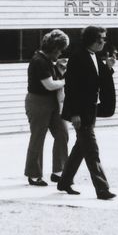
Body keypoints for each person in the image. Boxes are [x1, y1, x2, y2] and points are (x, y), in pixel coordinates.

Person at [57, 25, 117, 199]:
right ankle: (102, 188)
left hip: (91, 110)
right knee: (92, 150)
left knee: (81, 148)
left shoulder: (94, 57)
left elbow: (99, 80)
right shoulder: (78, 57)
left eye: (104, 39)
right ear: (92, 39)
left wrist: (109, 67)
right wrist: (74, 113)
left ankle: (64, 181)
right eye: (101, 39)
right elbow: (72, 88)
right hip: (81, 112)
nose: (104, 42)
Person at [23, 29, 71, 187]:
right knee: (38, 137)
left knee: (62, 133)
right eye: (60, 50)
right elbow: (49, 85)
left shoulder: (49, 60)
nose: (60, 53)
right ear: (53, 48)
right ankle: (34, 174)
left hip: (52, 102)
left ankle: (58, 171)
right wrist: (67, 81)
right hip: (38, 101)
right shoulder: (39, 61)